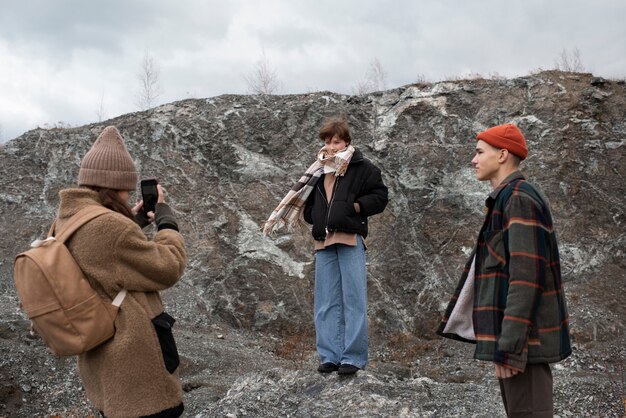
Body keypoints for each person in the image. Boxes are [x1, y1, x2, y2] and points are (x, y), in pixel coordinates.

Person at [437, 123, 571, 417]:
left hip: (524, 346)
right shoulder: (506, 199)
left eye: (479, 152)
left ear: (502, 155)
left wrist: (509, 348)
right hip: (519, 343)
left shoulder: (519, 199)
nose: (473, 159)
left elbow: (526, 278)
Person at [55, 126, 187, 417]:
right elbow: (169, 267)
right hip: (134, 366)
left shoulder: (67, 220)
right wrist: (166, 221)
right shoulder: (111, 227)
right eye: (126, 190)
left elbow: (100, 258)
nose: (128, 196)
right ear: (114, 187)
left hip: (101, 359)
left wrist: (133, 222)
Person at [263, 117, 388, 375]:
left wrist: (353, 207)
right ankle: (330, 356)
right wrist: (316, 216)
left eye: (336, 142)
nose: (331, 147)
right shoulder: (318, 171)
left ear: (347, 142)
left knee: (353, 300)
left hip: (350, 238)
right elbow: (308, 207)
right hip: (323, 242)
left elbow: (380, 197)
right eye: (327, 142)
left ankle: (352, 358)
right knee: (325, 302)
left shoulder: (363, 168)